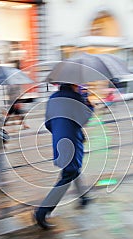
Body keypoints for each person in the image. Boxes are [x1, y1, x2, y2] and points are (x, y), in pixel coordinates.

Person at [33, 83, 93, 230]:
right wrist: (90, 106)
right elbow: (83, 119)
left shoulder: (53, 98)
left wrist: (60, 130)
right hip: (71, 140)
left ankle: (83, 197)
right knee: (69, 174)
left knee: (73, 169)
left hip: (59, 139)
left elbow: (48, 123)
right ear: (72, 84)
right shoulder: (76, 98)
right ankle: (42, 212)